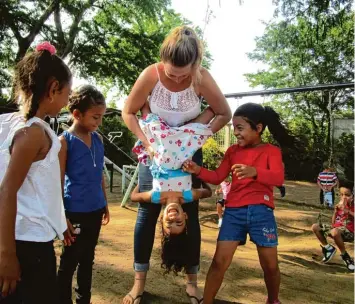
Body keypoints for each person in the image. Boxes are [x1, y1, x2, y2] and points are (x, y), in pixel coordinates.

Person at [122, 25, 231, 304]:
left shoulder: (202, 77)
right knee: (146, 214)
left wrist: (195, 133)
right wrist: (146, 141)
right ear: (163, 60)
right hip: (155, 152)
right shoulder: (151, 74)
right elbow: (128, 111)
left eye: (184, 73)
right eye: (172, 72)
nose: (177, 77)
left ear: (195, 64)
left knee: (190, 214)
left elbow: (223, 113)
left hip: (187, 156)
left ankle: (192, 282)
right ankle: (138, 283)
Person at [183, 102, 297, 304]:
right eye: (234, 128)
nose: (235, 132)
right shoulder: (233, 151)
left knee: (270, 266)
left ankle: (273, 300)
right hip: (233, 212)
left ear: (258, 128)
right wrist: (197, 170)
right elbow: (218, 176)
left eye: (240, 128)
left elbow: (278, 178)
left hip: (261, 212)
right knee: (219, 262)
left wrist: (255, 172)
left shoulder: (271, 151)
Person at [0, 42, 72, 303]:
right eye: (67, 92)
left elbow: (43, 188)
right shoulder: (33, 133)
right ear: (53, 89)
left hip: (30, 239)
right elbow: (7, 190)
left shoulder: (22, 126)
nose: (67, 100)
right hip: (26, 247)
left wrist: (60, 222)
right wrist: (6, 254)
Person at [57, 85, 110, 304]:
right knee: (70, 260)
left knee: (88, 258)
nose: (98, 123)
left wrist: (105, 202)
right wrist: (62, 216)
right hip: (74, 212)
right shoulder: (63, 142)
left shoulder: (98, 139)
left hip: (95, 210)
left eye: (101, 118)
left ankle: (83, 300)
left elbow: (100, 175)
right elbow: (57, 182)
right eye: (95, 117)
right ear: (77, 114)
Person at [311, 181, 354, 271]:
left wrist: (349, 212)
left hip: (350, 232)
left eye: (347, 195)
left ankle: (345, 256)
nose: (344, 197)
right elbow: (334, 223)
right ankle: (328, 248)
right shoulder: (340, 205)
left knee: (335, 231)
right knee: (315, 226)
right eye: (341, 195)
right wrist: (335, 212)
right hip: (337, 230)